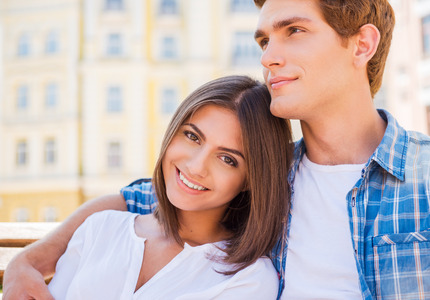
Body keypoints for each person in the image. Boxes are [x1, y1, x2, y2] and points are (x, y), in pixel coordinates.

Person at [4, 0, 430, 299]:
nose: (269, 56)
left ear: (362, 44)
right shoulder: (264, 183)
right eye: (264, 40)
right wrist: (32, 258)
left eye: (294, 31)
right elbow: (146, 196)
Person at [4, 76, 293, 299]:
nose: (195, 166)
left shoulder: (248, 280)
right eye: (192, 137)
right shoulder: (100, 229)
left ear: (250, 180)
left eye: (227, 159)